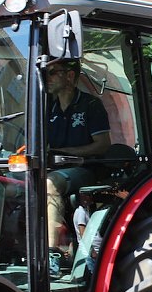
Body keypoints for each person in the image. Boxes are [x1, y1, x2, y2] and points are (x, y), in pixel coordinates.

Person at [45, 59, 111, 266]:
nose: (47, 78)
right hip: (53, 167)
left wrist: (65, 152)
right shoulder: (48, 108)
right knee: (9, 183)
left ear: (70, 76)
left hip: (84, 169)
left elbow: (102, 145)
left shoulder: (91, 105)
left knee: (50, 184)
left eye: (52, 72)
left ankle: (51, 254)